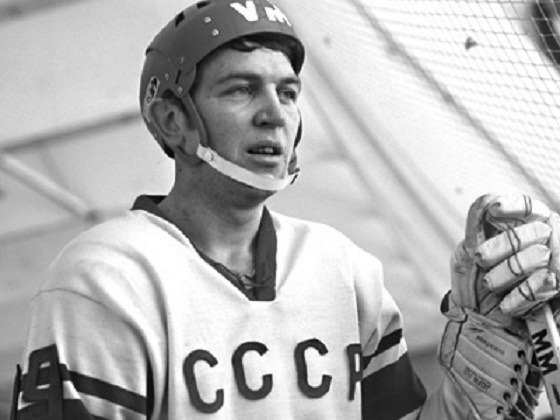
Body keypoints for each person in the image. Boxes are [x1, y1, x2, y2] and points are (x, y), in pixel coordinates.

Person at [9, 0, 560, 419]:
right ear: (172, 120)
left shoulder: (344, 268)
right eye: (241, 90)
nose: (274, 114)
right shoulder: (104, 279)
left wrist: (478, 376)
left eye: (289, 92)